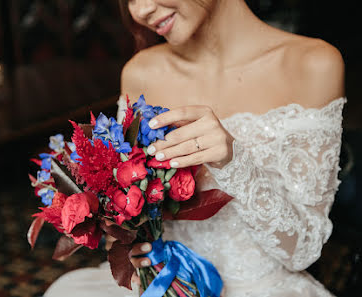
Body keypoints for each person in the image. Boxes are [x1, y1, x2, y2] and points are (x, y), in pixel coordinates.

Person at [44, 0, 345, 296]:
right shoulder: (141, 72)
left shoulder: (313, 66)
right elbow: (128, 209)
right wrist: (134, 247)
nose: (140, 10)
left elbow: (302, 253)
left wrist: (234, 162)